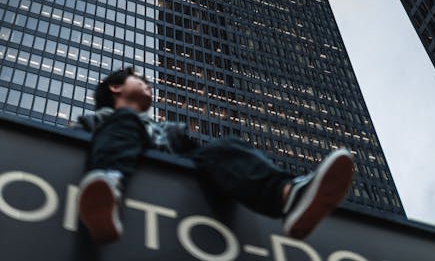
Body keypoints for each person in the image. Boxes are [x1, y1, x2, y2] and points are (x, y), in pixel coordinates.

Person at [77, 67, 354, 244]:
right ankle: (106, 191)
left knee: (225, 147)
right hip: (123, 175)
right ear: (116, 87)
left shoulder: (170, 131)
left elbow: (203, 157)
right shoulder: (98, 122)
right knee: (125, 119)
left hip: (178, 186)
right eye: (138, 79)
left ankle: (288, 196)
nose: (147, 84)